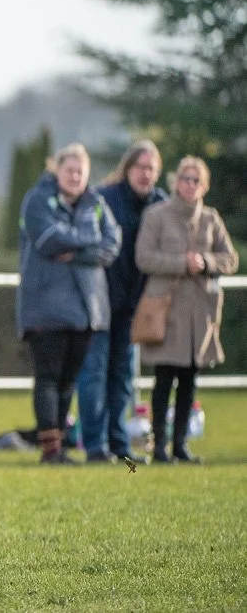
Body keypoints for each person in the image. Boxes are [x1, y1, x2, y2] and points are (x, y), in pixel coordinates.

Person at [16, 144, 120, 465]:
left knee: (68, 380)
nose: (75, 176)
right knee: (48, 377)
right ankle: (50, 449)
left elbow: (111, 244)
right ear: (56, 170)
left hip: (87, 309)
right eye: (69, 170)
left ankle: (60, 444)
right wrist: (88, 244)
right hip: (45, 307)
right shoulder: (37, 200)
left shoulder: (96, 203)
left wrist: (75, 251)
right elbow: (48, 239)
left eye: (80, 171)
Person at [135, 156, 238, 464]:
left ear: (204, 186)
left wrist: (205, 262)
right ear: (175, 182)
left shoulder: (211, 218)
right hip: (167, 311)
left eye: (196, 180)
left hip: (199, 314)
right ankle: (159, 447)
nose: (190, 185)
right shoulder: (156, 215)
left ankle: (181, 445)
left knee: (189, 381)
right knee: (164, 379)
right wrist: (182, 263)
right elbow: (144, 257)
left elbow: (230, 259)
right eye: (185, 178)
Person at [76, 140, 165, 463]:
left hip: (134, 307)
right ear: (128, 168)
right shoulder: (104, 198)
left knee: (123, 378)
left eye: (152, 169)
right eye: (140, 167)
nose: (146, 174)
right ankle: (94, 445)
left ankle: (119, 445)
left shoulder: (159, 204)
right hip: (100, 304)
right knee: (94, 375)